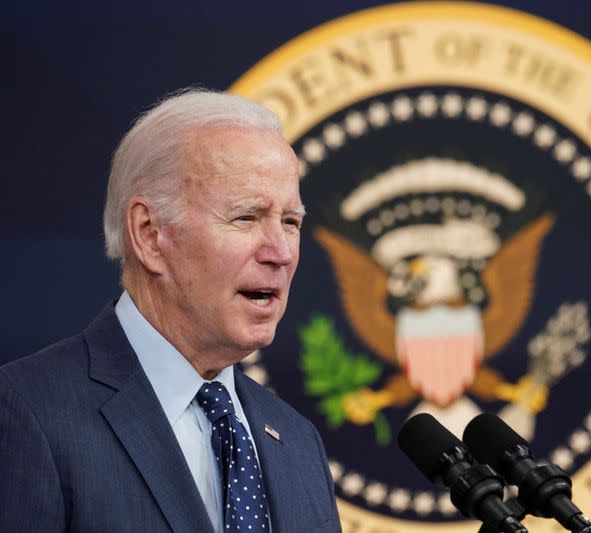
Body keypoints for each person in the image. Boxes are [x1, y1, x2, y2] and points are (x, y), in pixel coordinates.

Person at [0, 89, 341, 532]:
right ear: (149, 234)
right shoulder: (30, 413)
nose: (280, 252)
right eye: (246, 218)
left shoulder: (297, 441)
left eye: (291, 223)